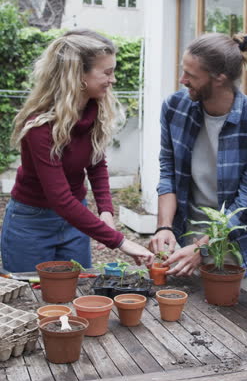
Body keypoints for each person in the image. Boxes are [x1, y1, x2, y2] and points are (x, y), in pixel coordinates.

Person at [1, 29, 154, 272]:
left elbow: (96, 164)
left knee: (75, 297)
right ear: (79, 76)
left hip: (74, 221)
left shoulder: (94, 111)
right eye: (107, 72)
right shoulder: (40, 126)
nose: (113, 79)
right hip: (31, 224)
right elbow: (60, 199)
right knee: (32, 300)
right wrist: (122, 242)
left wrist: (105, 210)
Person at [149, 32, 247, 278]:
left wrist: (203, 247)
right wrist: (164, 227)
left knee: (233, 315)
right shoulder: (174, 107)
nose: (182, 80)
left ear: (219, 78)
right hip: (185, 230)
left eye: (190, 75)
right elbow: (168, 170)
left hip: (235, 241)